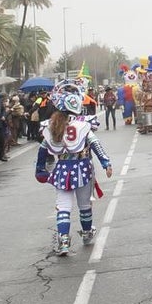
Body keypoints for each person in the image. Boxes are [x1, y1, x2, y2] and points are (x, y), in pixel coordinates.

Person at [35, 80, 113, 255]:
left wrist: (40, 169)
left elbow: (42, 149)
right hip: (82, 168)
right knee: (84, 205)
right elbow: (95, 144)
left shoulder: (50, 126)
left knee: (63, 206)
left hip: (61, 169)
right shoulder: (83, 124)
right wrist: (106, 163)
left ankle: (63, 241)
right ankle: (86, 233)